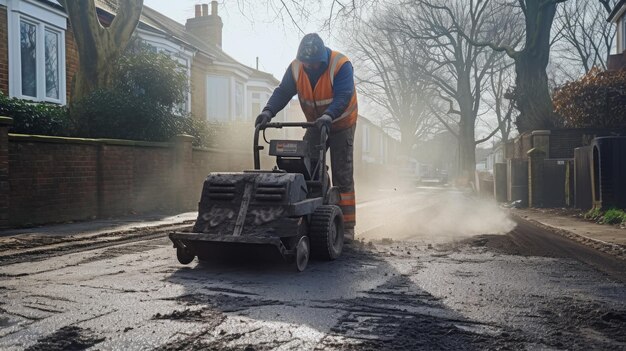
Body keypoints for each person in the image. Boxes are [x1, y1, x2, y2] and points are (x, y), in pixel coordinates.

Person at [255, 33, 358, 240]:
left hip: (341, 123)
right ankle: (314, 213)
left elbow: (344, 95)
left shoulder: (340, 64)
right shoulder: (295, 68)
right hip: (316, 123)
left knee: (342, 173)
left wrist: (330, 115)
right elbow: (283, 91)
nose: (309, 67)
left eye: (314, 64)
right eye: (306, 63)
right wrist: (268, 111)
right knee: (305, 165)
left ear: (322, 58)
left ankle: (346, 227)